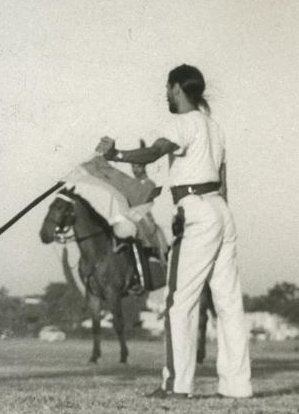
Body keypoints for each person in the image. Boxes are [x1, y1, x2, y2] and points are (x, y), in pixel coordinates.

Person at [98, 64, 252, 399]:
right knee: (228, 303)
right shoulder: (214, 127)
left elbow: (154, 152)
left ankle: (176, 385)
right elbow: (224, 183)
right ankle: (238, 386)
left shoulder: (181, 123)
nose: (166, 94)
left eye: (168, 88)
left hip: (196, 208)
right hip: (221, 210)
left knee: (179, 301)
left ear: (178, 88)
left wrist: (116, 154)